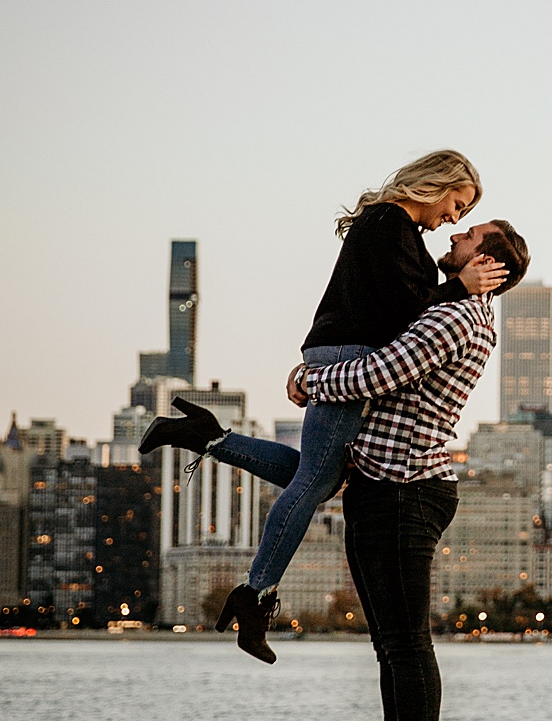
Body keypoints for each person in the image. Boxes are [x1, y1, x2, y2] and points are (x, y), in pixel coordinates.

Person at [137, 150, 506, 661]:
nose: (454, 218)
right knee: (313, 483)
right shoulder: (390, 225)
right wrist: (457, 288)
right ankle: (255, 594)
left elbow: (397, 308)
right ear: (437, 184)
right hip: (348, 354)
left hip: (339, 351)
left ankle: (205, 437)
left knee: (321, 477)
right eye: (457, 204)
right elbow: (403, 313)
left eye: (465, 216)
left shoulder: (392, 227)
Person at [295, 216, 531, 721]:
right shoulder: (456, 309)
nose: (454, 238)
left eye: (469, 235)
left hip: (404, 488)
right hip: (386, 484)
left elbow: (379, 374)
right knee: (389, 645)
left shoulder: (455, 317)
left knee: (405, 644)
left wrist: (307, 381)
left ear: (490, 263)